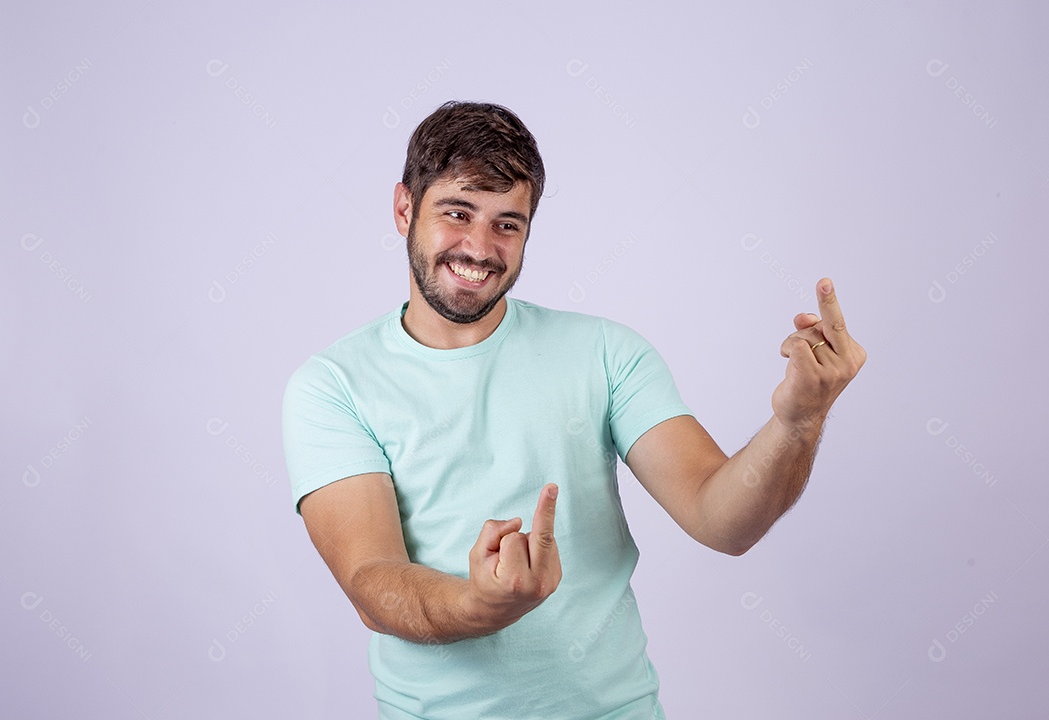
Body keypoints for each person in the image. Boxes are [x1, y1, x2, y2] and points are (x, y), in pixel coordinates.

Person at [281, 100, 866, 719]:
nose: (480, 248)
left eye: (508, 223)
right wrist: (483, 604)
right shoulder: (333, 385)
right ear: (405, 209)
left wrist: (797, 423)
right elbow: (374, 583)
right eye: (458, 213)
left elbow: (723, 521)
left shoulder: (606, 352)